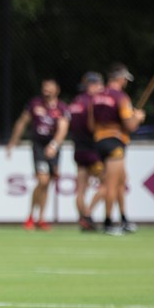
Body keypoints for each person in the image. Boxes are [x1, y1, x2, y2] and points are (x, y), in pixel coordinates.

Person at [88, 63, 145, 235]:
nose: (126, 83)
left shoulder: (96, 97)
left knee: (121, 180)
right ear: (120, 79)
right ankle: (108, 222)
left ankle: (123, 218)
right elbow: (130, 125)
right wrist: (139, 118)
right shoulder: (121, 97)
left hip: (99, 141)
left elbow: (91, 124)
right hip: (115, 142)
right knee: (111, 184)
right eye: (125, 80)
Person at [6, 78, 70, 231]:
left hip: (53, 146)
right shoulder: (35, 104)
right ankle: (30, 216)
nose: (46, 90)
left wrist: (54, 145)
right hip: (39, 146)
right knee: (42, 180)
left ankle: (41, 218)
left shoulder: (61, 108)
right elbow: (22, 122)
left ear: (57, 90)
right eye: (45, 87)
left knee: (48, 183)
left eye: (50, 87)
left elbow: (63, 129)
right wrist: (12, 142)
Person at [67, 72, 106, 231]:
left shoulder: (75, 102)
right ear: (92, 85)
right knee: (108, 183)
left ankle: (83, 220)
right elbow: (94, 127)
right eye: (99, 85)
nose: (102, 88)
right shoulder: (93, 103)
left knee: (81, 190)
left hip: (78, 151)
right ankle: (88, 215)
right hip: (92, 151)